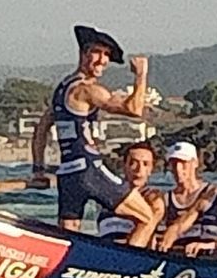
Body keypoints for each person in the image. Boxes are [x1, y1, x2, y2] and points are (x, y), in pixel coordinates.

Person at [31, 25, 159, 247]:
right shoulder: (88, 89)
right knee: (147, 218)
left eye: (107, 55)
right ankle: (124, 271)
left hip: (67, 174)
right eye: (97, 53)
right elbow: (135, 111)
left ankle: (70, 275)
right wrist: (141, 75)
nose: (102, 60)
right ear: (83, 54)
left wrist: (38, 168)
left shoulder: (62, 89)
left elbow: (41, 129)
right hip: (89, 170)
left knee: (68, 237)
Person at [96, 141, 164, 243]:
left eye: (145, 164)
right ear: (124, 166)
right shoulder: (109, 194)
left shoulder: (153, 199)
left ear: (151, 169)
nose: (139, 169)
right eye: (133, 163)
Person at [160, 141, 216, 249]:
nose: (178, 169)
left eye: (183, 163)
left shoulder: (211, 192)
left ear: (195, 163)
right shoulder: (166, 198)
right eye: (174, 164)